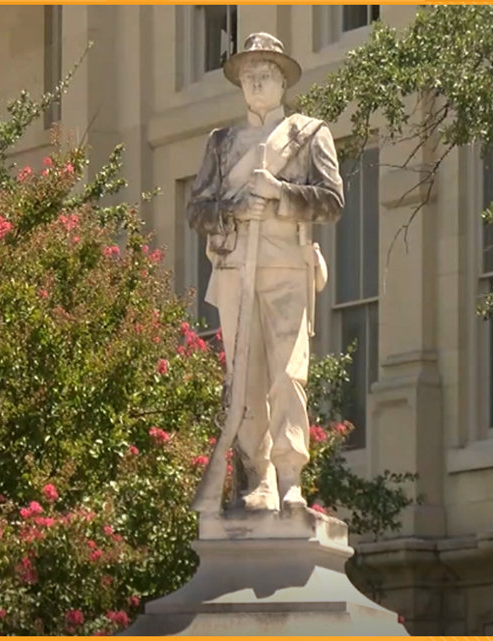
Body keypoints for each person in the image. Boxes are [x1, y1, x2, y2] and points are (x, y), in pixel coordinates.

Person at [187, 33, 344, 513]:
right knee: (245, 379)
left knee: (287, 375)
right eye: (249, 75)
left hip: (287, 267)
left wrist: (278, 192)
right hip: (236, 266)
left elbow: (332, 200)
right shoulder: (221, 144)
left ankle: (291, 474)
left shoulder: (309, 134)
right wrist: (236, 205)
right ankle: (259, 478)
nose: (256, 82)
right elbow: (197, 209)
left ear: (282, 81)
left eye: (265, 74)